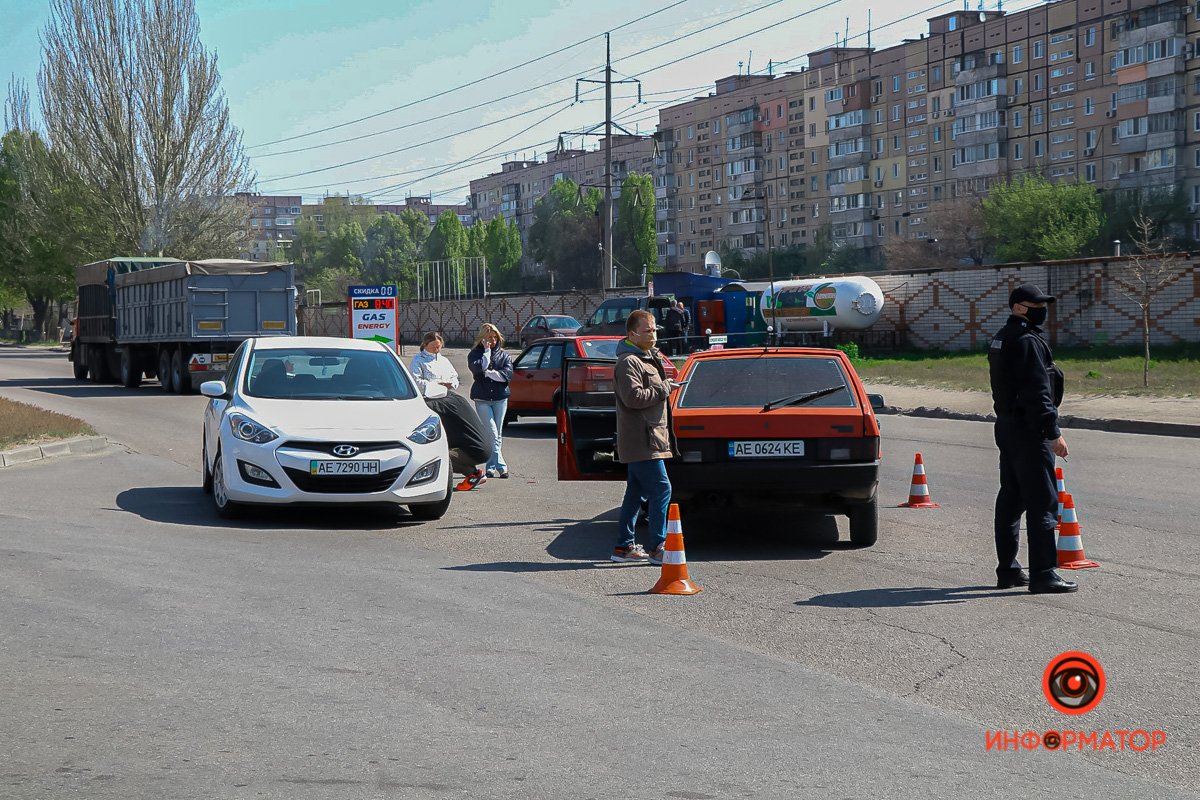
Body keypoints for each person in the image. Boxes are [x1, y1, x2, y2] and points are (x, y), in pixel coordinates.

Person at [988, 283, 1075, 594]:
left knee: (1011, 498)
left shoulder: (1002, 337)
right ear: (1018, 308)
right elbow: (1038, 392)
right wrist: (1053, 432)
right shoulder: (1026, 341)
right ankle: (1043, 573)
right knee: (1042, 502)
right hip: (1028, 431)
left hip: (1008, 426)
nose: (1042, 309)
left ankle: (1008, 570)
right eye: (1035, 304)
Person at [611, 309, 674, 564]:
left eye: (655, 329)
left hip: (650, 437)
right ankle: (658, 547)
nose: (654, 334)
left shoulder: (648, 357)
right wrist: (663, 388)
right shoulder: (629, 362)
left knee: (635, 493)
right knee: (662, 488)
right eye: (648, 330)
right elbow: (633, 397)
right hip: (641, 440)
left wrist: (664, 385)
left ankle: (623, 547)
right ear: (632, 334)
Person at [411, 332, 490, 491]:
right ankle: (471, 472)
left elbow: (455, 378)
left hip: (444, 396)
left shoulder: (444, 361)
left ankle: (472, 474)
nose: (436, 350)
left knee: (436, 454)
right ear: (425, 345)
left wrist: (449, 384)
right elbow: (417, 381)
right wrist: (437, 385)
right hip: (432, 395)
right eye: (433, 347)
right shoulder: (418, 360)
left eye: (439, 347)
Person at [467, 322, 513, 479]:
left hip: (500, 398)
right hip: (482, 398)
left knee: (497, 433)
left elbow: (506, 375)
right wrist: (486, 351)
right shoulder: (474, 354)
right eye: (488, 338)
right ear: (481, 339)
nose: (492, 341)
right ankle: (502, 466)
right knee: (492, 432)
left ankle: (490, 467)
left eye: (494, 337)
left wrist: (491, 373)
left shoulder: (505, 355)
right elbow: (479, 368)